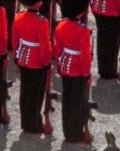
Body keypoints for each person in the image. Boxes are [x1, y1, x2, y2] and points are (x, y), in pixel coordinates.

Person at [54, 0, 92, 143]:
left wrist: (59, 65)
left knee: (67, 100)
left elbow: (58, 49)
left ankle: (68, 132)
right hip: (78, 71)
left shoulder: (61, 25)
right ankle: (75, 134)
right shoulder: (83, 31)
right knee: (77, 102)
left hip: (65, 67)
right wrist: (87, 74)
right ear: (81, 12)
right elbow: (85, 57)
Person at [12, 0, 52, 134]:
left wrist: (17, 55)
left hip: (24, 58)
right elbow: (45, 46)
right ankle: (35, 124)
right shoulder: (42, 22)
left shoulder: (19, 16)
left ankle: (26, 122)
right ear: (39, 3)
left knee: (25, 93)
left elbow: (15, 39)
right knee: (36, 95)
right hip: (37, 61)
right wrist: (47, 63)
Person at [90, 0, 120, 80]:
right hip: (112, 10)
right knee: (112, 43)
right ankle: (109, 71)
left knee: (102, 39)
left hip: (99, 8)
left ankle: (103, 69)